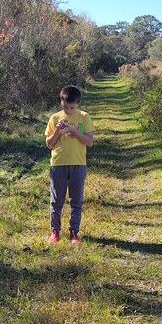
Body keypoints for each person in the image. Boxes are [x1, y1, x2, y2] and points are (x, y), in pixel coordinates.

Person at [44, 85, 94, 243]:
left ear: (78, 104)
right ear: (61, 102)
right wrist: (57, 131)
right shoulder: (55, 118)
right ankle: (55, 231)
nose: (68, 110)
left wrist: (74, 132)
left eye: (72, 108)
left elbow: (89, 142)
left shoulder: (84, 117)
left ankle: (74, 231)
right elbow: (49, 144)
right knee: (56, 200)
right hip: (58, 164)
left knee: (76, 200)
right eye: (65, 107)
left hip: (78, 164)